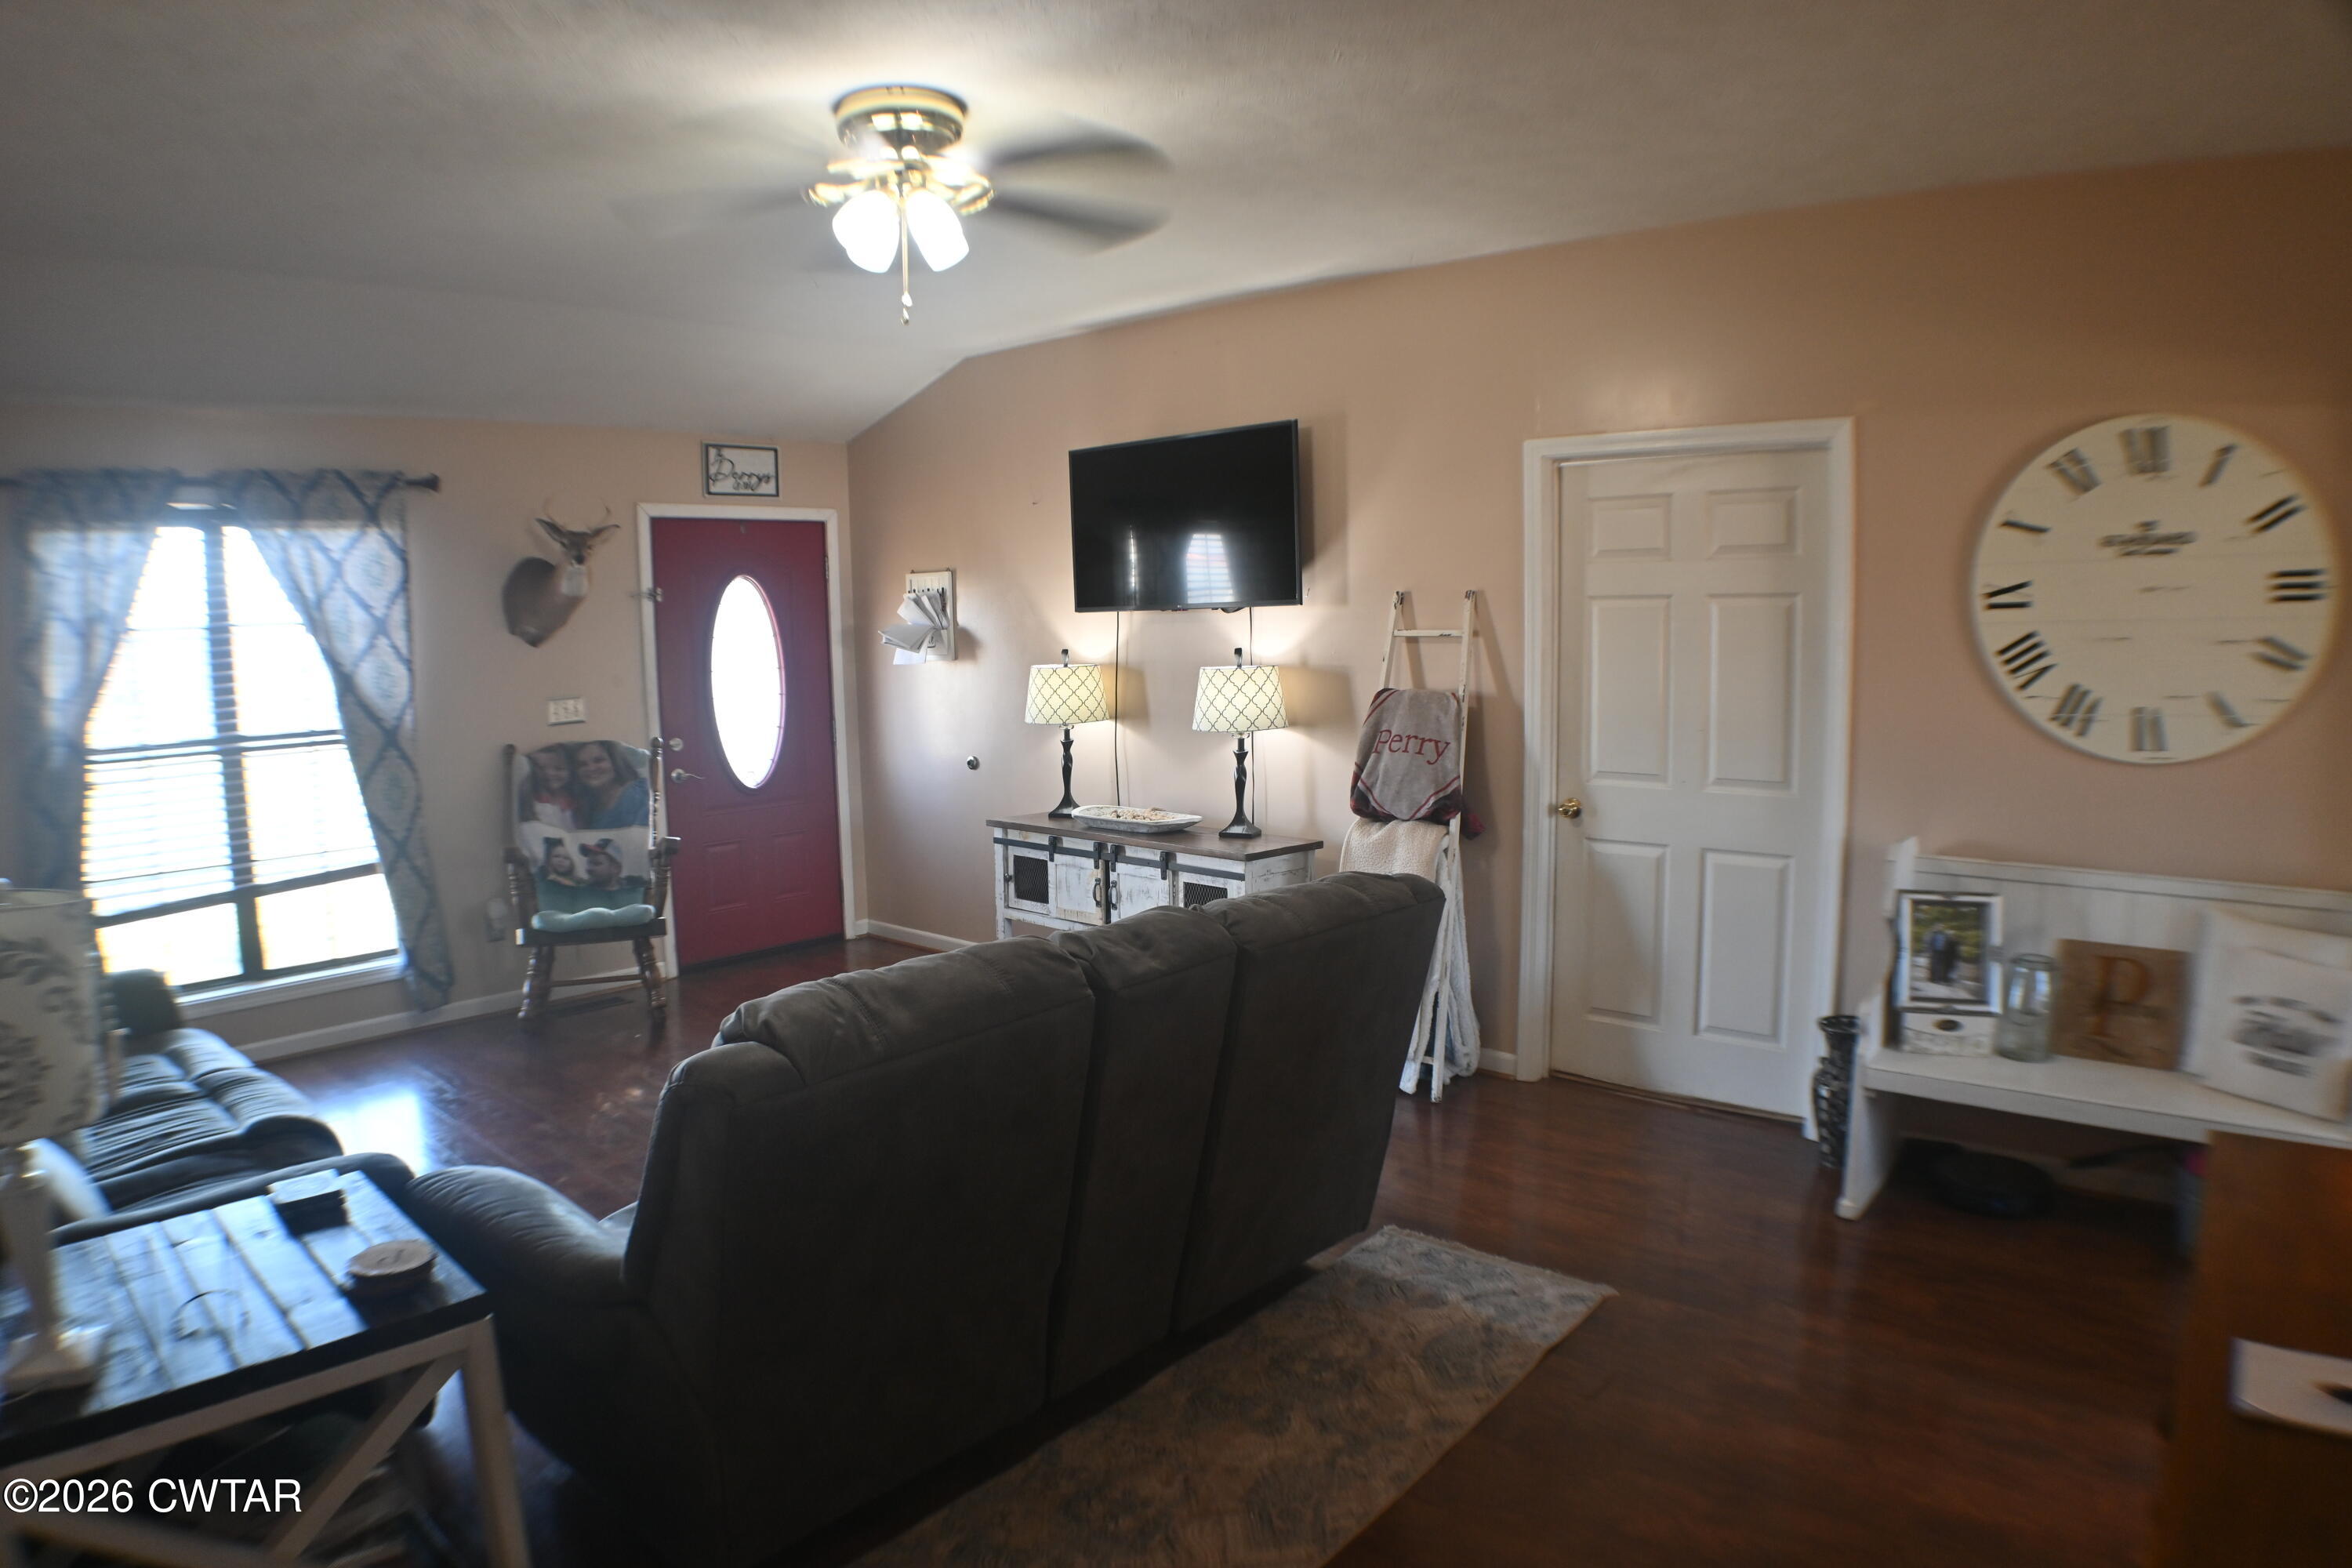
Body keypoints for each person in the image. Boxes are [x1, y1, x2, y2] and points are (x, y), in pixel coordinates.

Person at [572, 740, 650, 829]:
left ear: (615, 762)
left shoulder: (640, 793)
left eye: (598, 760)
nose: (591, 768)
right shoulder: (587, 811)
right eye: (582, 764)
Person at [517, 746, 579, 830]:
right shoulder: (531, 802)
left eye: (559, 769)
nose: (549, 773)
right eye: (542, 768)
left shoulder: (575, 801)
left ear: (571, 771)